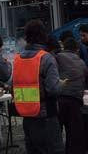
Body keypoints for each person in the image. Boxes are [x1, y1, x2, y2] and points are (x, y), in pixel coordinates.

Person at [13, 19, 63, 154]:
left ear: (26, 37)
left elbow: (13, 84)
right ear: (43, 36)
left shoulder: (17, 59)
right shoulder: (46, 58)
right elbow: (53, 89)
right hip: (46, 116)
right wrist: (61, 85)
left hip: (27, 116)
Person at [56, 37, 88, 154]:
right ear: (77, 50)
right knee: (74, 134)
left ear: (64, 47)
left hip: (59, 99)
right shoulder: (82, 63)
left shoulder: (57, 57)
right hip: (75, 101)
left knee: (56, 132)